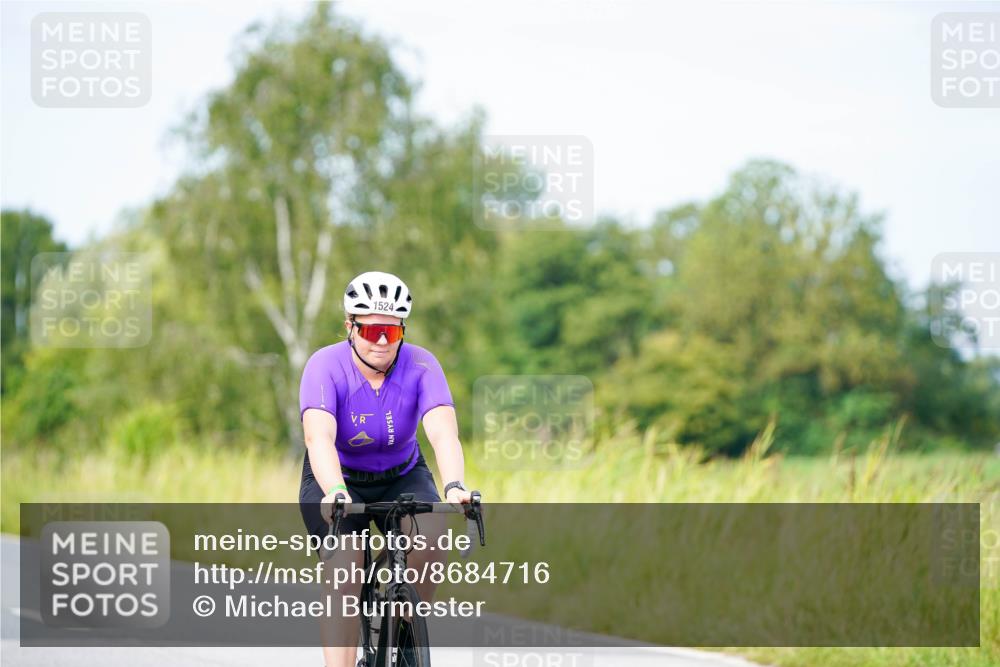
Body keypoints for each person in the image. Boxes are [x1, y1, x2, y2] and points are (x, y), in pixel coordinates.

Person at [298, 270, 473, 667]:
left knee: (431, 540)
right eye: (372, 330)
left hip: (402, 473)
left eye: (391, 333)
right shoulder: (324, 365)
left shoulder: (423, 365)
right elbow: (318, 439)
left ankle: (406, 633)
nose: (381, 341)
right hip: (337, 478)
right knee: (345, 568)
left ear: (402, 331)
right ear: (350, 326)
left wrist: (455, 485)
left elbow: (444, 434)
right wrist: (335, 492)